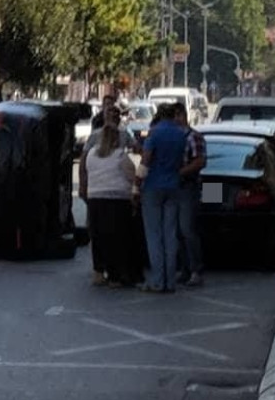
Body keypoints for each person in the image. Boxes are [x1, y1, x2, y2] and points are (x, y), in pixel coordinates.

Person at [79, 108, 142, 287]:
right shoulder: (120, 156)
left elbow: (87, 170)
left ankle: (98, 272)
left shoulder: (91, 154)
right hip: (117, 200)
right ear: (116, 139)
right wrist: (135, 194)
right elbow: (132, 175)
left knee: (98, 237)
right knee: (116, 238)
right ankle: (115, 275)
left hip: (95, 199)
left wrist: (85, 187)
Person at [138, 102, 187, 293]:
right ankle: (170, 281)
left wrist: (137, 184)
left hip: (153, 186)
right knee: (170, 233)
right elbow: (181, 160)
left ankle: (158, 280)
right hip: (173, 185)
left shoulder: (155, 133)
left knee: (154, 235)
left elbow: (146, 160)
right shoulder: (180, 134)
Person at [174, 104, 206, 287]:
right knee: (178, 231)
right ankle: (184, 269)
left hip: (188, 187)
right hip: (175, 188)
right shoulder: (175, 138)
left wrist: (179, 172)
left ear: (183, 116)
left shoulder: (194, 137)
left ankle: (195, 269)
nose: (175, 120)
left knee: (187, 229)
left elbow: (200, 161)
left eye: (177, 116)